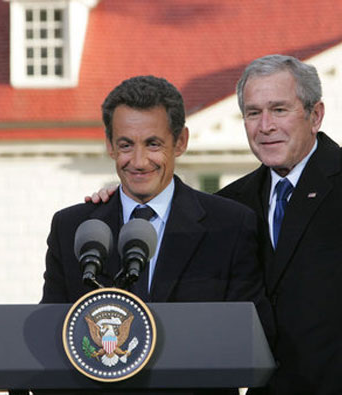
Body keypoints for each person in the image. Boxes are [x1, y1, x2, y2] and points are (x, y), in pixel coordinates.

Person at [86, 56, 342, 394]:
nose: (265, 126)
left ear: (315, 115)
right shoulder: (231, 203)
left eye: (279, 109)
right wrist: (121, 203)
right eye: (253, 113)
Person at [41, 75, 273, 394]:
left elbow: (254, 339)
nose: (138, 162)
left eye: (153, 144)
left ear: (180, 142)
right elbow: (51, 341)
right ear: (109, 144)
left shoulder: (230, 226)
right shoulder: (73, 228)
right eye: (126, 145)